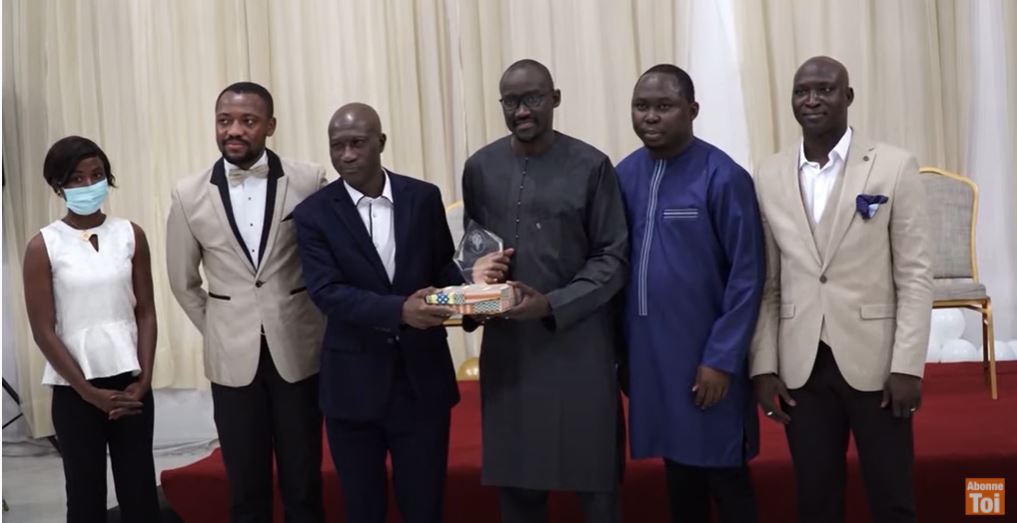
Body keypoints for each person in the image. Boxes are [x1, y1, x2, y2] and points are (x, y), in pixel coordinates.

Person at [750, 56, 932, 523]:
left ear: (847, 97)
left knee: (892, 496)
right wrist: (764, 365)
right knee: (815, 498)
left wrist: (908, 365)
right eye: (801, 91)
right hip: (801, 366)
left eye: (825, 89)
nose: (811, 99)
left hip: (877, 365)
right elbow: (769, 281)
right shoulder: (768, 174)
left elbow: (913, 275)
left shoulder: (893, 166)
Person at [462, 59, 629, 523]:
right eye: (511, 102)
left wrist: (551, 304)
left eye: (532, 99)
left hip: (579, 348)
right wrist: (477, 279)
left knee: (594, 486)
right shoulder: (480, 167)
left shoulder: (592, 165)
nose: (521, 111)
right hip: (511, 353)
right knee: (518, 490)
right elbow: (472, 251)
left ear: (555, 98)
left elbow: (612, 258)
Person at [292, 102, 462, 523]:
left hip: (421, 382)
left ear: (380, 142)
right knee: (363, 509)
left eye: (357, 144)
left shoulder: (422, 198)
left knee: (425, 507)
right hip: (353, 386)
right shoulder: (313, 213)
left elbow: (443, 270)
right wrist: (400, 310)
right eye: (337, 146)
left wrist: (477, 284)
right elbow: (327, 292)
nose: (347, 155)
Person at [166, 82, 327, 523]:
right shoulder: (188, 193)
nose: (234, 130)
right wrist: (221, 327)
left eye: (248, 121)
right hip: (231, 358)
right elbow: (183, 282)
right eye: (225, 120)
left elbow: (328, 266)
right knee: (245, 483)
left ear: (270, 126)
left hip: (299, 351)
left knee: (304, 480)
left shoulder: (310, 179)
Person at [616, 64, 765, 523]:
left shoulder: (722, 176)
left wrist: (721, 358)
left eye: (664, 106)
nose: (651, 117)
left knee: (724, 474)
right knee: (679, 473)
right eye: (642, 107)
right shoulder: (624, 175)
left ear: (692, 110)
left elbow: (748, 275)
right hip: (650, 357)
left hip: (705, 356)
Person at [23, 136, 160, 522]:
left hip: (131, 384)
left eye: (97, 175)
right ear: (58, 186)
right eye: (77, 178)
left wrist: (144, 380)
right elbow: (42, 329)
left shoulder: (131, 234)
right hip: (75, 388)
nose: (89, 186)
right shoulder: (43, 246)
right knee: (85, 496)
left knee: (140, 493)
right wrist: (88, 392)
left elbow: (146, 312)